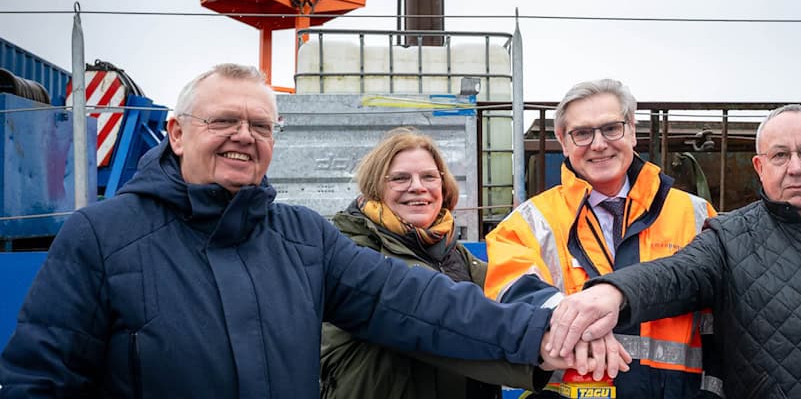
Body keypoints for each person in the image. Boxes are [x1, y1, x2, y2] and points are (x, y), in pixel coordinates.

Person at [0, 64, 590, 398]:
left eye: (260, 124)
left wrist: (541, 337)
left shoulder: (303, 239)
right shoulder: (100, 237)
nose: (243, 135)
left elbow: (416, 303)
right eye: (222, 121)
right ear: (178, 135)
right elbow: (40, 379)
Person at [546, 104, 801, 398]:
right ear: (760, 167)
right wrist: (614, 291)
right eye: (780, 156)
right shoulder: (730, 238)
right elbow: (675, 274)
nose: (796, 168)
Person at [485, 79, 721, 397]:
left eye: (611, 128)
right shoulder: (527, 224)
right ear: (563, 141)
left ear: (632, 131)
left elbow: (721, 320)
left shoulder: (695, 214)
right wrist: (577, 321)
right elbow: (510, 295)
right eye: (582, 133)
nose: (598, 144)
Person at [319, 128, 561, 398]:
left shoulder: (456, 256)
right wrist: (542, 343)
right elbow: (433, 316)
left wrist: (565, 316)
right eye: (400, 178)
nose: (417, 186)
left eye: (429, 177)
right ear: (376, 187)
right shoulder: (356, 251)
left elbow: (510, 291)